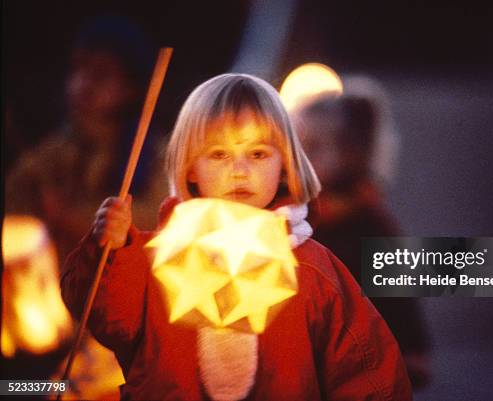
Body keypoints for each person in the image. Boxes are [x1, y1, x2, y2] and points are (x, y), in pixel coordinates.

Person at [60, 73, 412, 400]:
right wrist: (110, 250)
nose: (239, 170)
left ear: (285, 164)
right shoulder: (151, 259)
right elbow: (104, 314)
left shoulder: (315, 268)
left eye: (257, 153)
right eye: (218, 154)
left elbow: (366, 371)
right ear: (190, 166)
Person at [292, 88, 431, 388]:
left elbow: (398, 293)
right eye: (297, 147)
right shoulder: (295, 214)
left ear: (351, 152)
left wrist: (410, 347)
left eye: (314, 148)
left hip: (362, 359)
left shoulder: (370, 225)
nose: (301, 159)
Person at [6, 16, 167, 264]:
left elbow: (158, 225)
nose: (83, 83)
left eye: (101, 74)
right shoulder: (50, 155)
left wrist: (68, 215)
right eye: (78, 69)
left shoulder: (155, 156)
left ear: (129, 88)